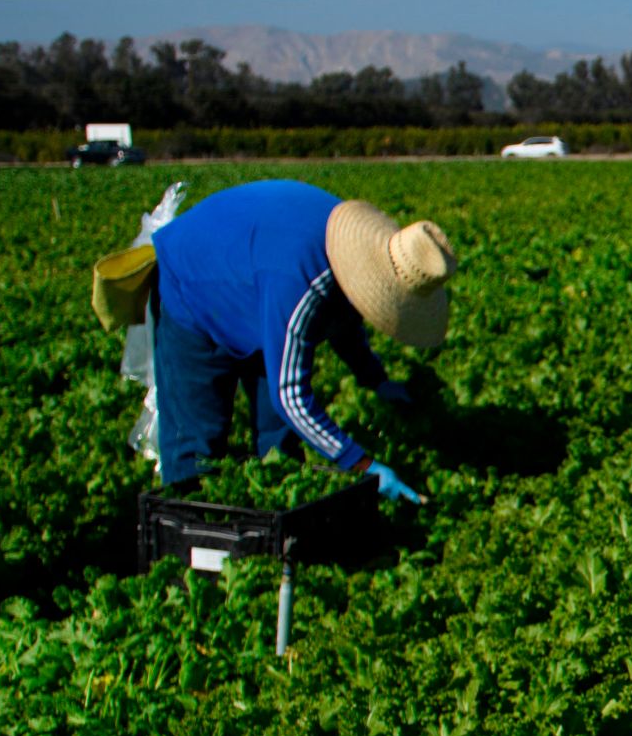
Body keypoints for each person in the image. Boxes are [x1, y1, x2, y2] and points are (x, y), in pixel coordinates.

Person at [147, 179, 452, 501]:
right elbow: (290, 396)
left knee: (280, 445)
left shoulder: (354, 252)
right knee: (198, 448)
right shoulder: (302, 279)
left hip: (253, 274)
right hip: (194, 282)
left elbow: (343, 320)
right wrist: (362, 464)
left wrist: (375, 379)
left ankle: (276, 532)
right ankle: (191, 535)